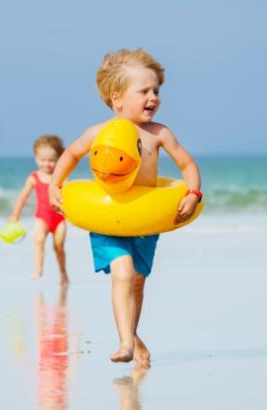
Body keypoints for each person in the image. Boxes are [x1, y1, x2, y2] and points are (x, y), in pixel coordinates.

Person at [49, 48, 201, 366]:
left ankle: (133, 337)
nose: (153, 97)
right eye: (143, 91)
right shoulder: (99, 133)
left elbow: (186, 163)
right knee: (123, 272)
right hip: (107, 215)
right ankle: (125, 344)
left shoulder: (159, 134)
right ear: (117, 99)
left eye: (156, 90)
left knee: (137, 282)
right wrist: (54, 185)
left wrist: (192, 193)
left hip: (145, 217)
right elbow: (72, 154)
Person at [9, 135, 69, 285]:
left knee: (59, 247)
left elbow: (69, 196)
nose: (47, 164)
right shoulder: (33, 177)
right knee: (39, 239)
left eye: (52, 160)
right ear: (36, 158)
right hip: (41, 217)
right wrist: (15, 214)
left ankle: (63, 272)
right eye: (43, 160)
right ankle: (38, 269)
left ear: (59, 159)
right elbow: (23, 197)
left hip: (59, 219)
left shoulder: (61, 178)